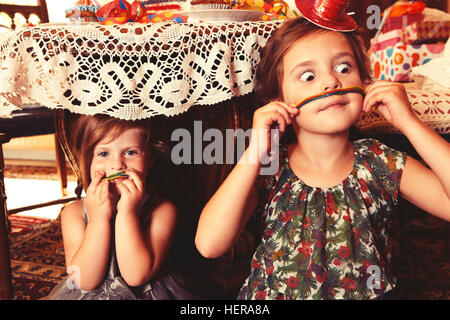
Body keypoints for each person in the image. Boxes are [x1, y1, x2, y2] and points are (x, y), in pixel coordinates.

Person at [194, 6, 450, 299]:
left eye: (343, 68)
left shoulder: (379, 161)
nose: (331, 82)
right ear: (279, 100)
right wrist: (254, 152)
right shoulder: (270, 167)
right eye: (308, 76)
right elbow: (209, 244)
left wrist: (409, 122)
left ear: (363, 83)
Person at [48, 114, 198, 299]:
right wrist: (98, 220)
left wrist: (128, 213)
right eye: (103, 153)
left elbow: (136, 276)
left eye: (130, 152)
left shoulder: (163, 211)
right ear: (89, 161)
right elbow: (83, 280)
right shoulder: (74, 213)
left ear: (150, 159)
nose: (117, 164)